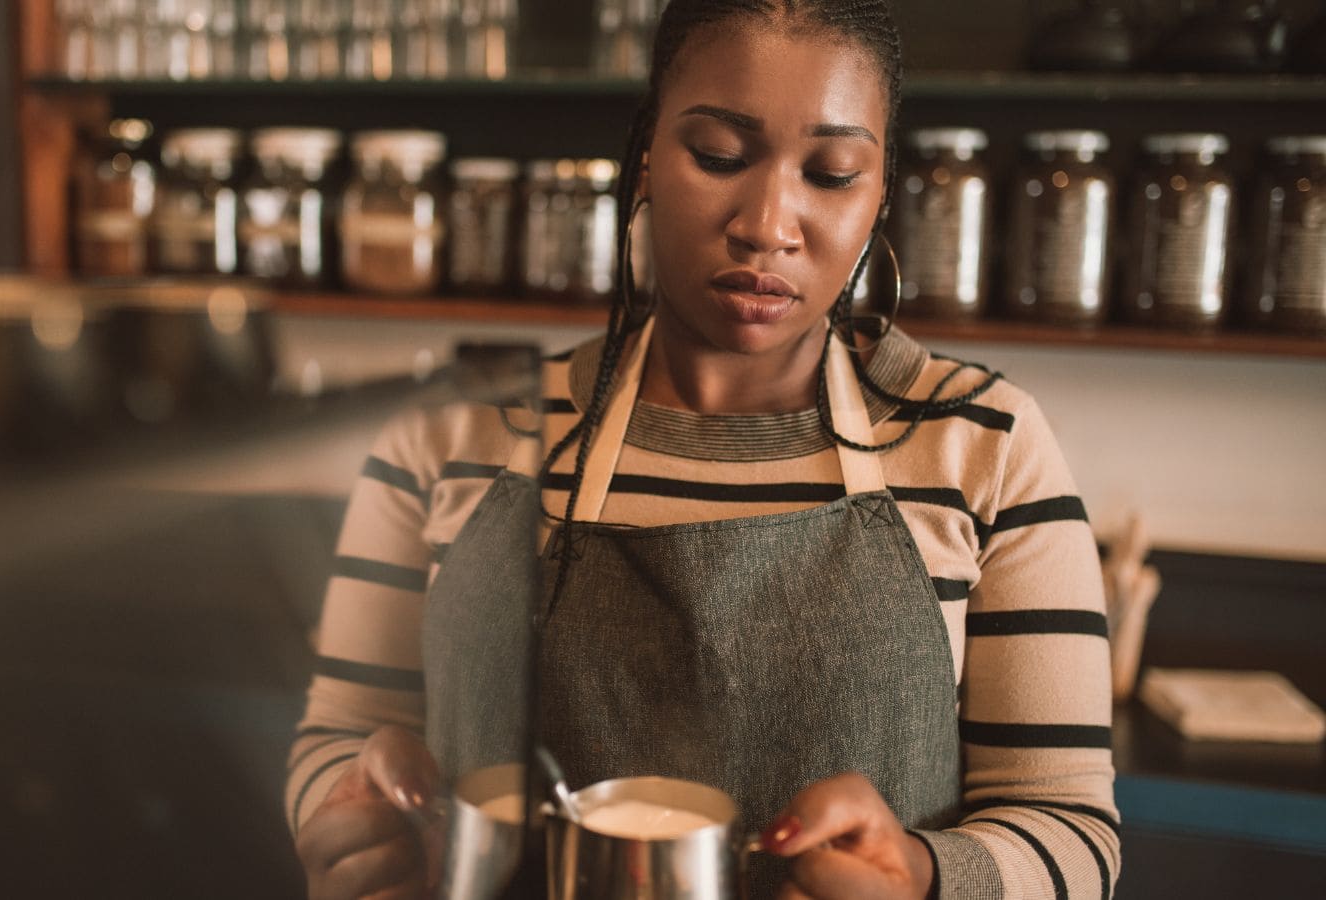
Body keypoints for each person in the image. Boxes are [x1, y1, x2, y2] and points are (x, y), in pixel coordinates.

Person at [287, 1, 1120, 897]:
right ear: (646, 161)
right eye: (720, 156)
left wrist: (921, 876)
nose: (768, 222)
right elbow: (341, 729)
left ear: (880, 191)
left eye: (833, 173)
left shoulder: (985, 446)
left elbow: (1069, 823)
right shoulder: (447, 436)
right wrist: (346, 814)